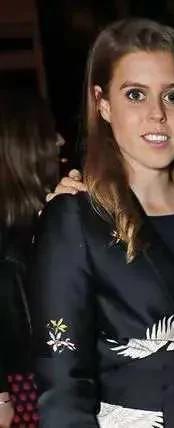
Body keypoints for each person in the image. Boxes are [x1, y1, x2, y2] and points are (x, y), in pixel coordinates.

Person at [29, 18, 174, 427]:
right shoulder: (75, 219)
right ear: (103, 103)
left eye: (173, 96)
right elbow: (63, 388)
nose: (157, 114)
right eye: (136, 95)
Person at [0, 89, 59, 427]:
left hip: (49, 373)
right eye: (49, 135)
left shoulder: (43, 216)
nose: (60, 141)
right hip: (21, 382)